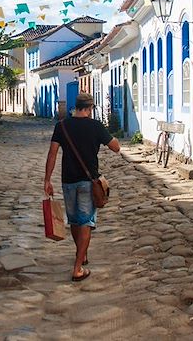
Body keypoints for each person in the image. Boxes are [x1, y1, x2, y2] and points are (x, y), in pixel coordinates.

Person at [44, 93, 121, 282]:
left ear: (75, 107)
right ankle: (77, 268)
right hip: (88, 182)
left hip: (68, 180)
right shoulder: (95, 126)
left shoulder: (61, 126)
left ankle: (81, 253)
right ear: (90, 108)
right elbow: (116, 147)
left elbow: (52, 153)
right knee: (86, 221)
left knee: (75, 222)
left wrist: (47, 180)